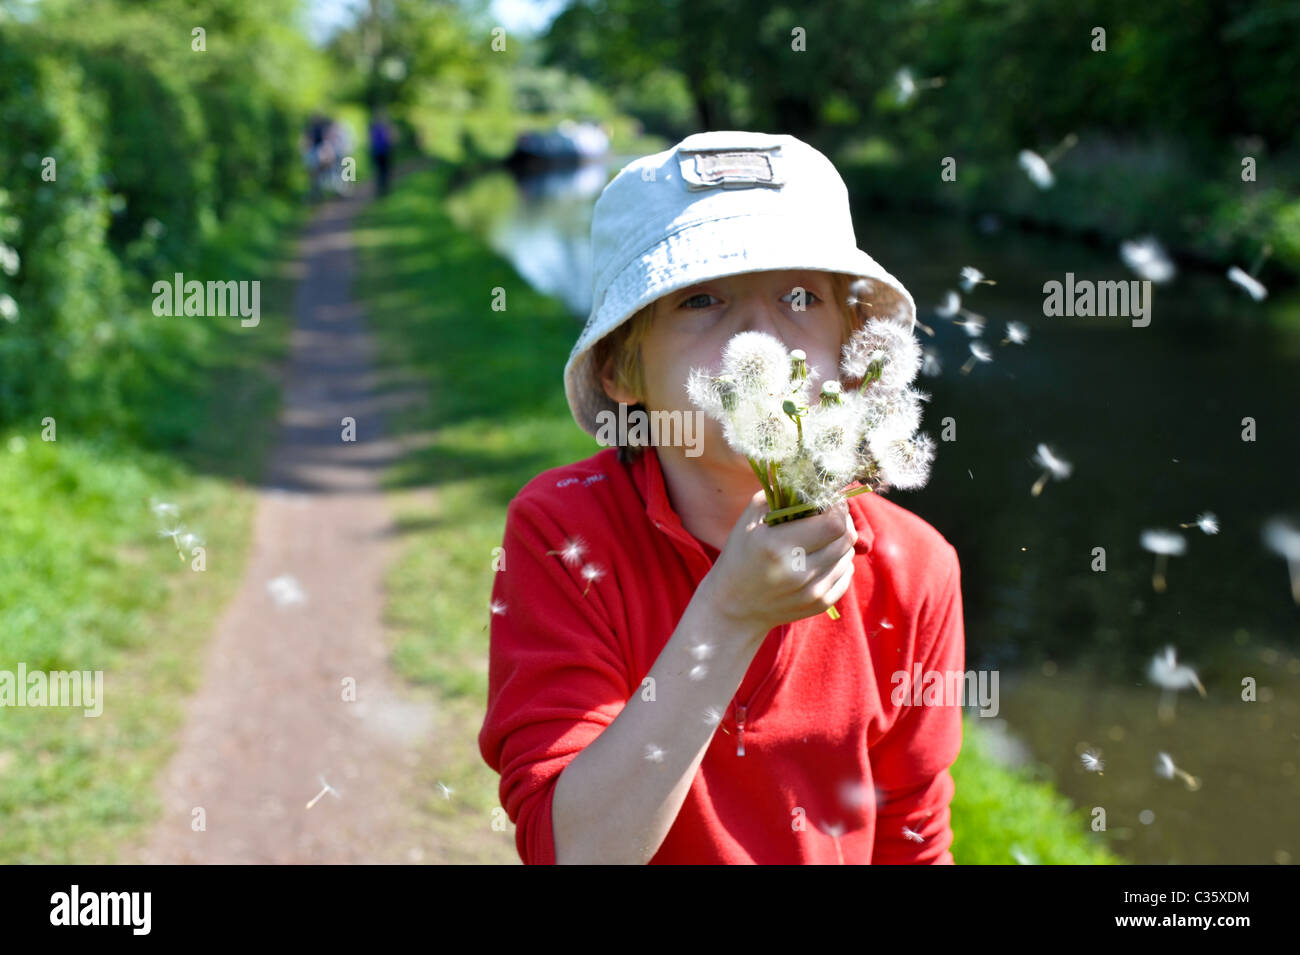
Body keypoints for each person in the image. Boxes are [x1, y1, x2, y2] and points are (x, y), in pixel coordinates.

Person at [478, 131, 966, 865]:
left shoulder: (915, 567)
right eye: (701, 300)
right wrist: (730, 612)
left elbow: (911, 836)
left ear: (852, 345)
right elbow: (574, 850)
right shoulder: (561, 531)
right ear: (620, 369)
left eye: (800, 296)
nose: (760, 335)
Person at [368, 110, 393, 196]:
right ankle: (384, 188)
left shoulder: (374, 128)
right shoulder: (385, 128)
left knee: (380, 171)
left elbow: (371, 141)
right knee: (384, 171)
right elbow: (389, 140)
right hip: (384, 152)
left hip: (377, 153)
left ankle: (381, 188)